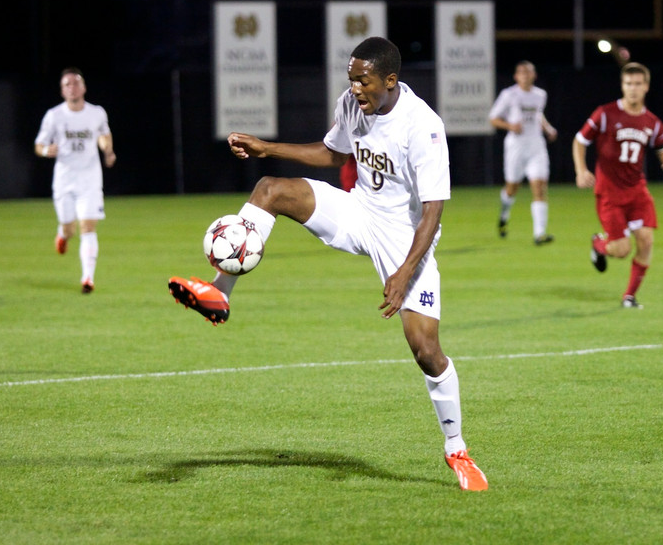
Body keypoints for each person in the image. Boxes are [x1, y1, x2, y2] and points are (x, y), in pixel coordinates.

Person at [167, 37, 488, 491]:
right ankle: (220, 293)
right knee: (270, 189)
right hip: (360, 211)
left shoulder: (424, 127)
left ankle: (457, 449)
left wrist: (402, 273)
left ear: (390, 81)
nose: (355, 87)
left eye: (364, 80)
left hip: (405, 238)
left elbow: (434, 211)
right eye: (352, 78)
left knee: (425, 349)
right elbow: (335, 153)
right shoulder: (354, 102)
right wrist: (267, 147)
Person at [572, 61, 663, 309]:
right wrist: (581, 170)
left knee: (646, 241)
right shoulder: (605, 113)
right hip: (609, 193)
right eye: (628, 84)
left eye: (638, 84)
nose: (633, 89)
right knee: (620, 250)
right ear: (622, 86)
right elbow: (579, 141)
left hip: (637, 191)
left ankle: (629, 297)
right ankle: (599, 244)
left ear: (646, 87)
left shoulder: (652, 122)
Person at [34, 67, 116, 294]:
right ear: (62, 91)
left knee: (88, 227)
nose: (72, 87)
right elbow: (39, 144)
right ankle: (62, 235)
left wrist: (107, 150)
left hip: (90, 178)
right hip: (64, 180)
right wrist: (45, 151)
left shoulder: (96, 112)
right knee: (70, 228)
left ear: (84, 87)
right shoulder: (54, 116)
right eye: (67, 84)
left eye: (76, 82)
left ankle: (87, 278)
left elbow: (103, 135)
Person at [488, 60, 558, 243]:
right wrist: (510, 125)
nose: (525, 76)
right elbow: (493, 119)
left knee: (540, 186)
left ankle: (539, 234)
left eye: (528, 73)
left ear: (534, 75)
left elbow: (538, 115)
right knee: (512, 187)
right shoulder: (509, 94)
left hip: (536, 145)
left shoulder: (540, 95)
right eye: (522, 73)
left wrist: (548, 128)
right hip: (516, 146)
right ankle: (504, 215)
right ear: (516, 76)